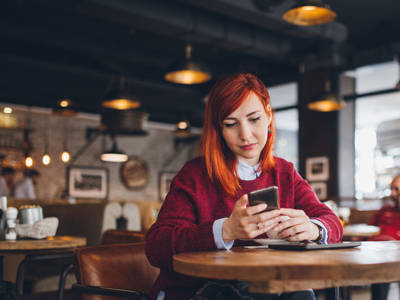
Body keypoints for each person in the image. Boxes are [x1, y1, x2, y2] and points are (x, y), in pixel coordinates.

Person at [145, 73, 343, 300]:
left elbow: (332, 222)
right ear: (218, 129)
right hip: (192, 293)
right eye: (231, 124)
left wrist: (314, 228)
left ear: (268, 115)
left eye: (254, 119)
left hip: (267, 288)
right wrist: (225, 230)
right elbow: (156, 247)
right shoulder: (195, 175)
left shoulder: (284, 172)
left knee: (299, 293)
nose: (245, 135)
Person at [369, 174, 400, 300]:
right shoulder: (384, 210)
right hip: (377, 254)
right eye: (392, 189)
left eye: (397, 189)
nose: (393, 193)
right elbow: (368, 230)